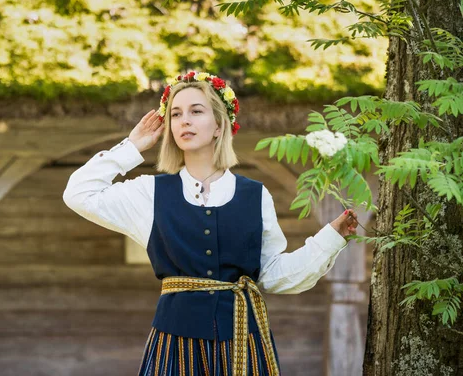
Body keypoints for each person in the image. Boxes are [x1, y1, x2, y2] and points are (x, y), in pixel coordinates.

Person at [63, 71, 359, 376]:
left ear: (219, 126)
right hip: (174, 348)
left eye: (196, 111)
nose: (184, 121)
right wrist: (132, 147)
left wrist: (330, 238)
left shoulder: (254, 195)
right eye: (176, 114)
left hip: (243, 343)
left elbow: (272, 274)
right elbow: (79, 193)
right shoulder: (149, 193)